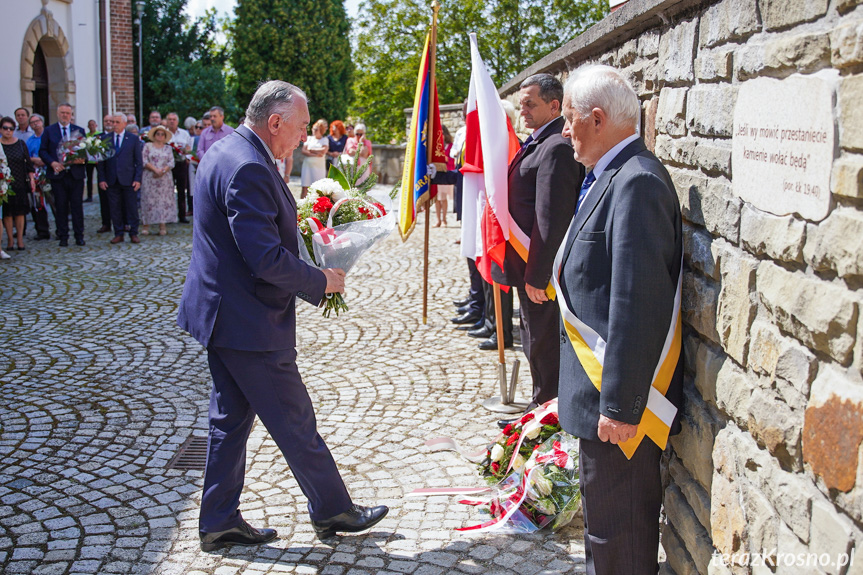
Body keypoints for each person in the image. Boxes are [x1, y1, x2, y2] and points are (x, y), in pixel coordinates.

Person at [177, 80, 388, 551]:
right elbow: (264, 257)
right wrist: (321, 281)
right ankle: (333, 509)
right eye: (296, 128)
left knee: (230, 419)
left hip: (223, 312)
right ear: (274, 122)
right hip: (247, 321)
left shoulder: (225, 149)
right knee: (293, 418)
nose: (300, 138)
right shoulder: (249, 166)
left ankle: (218, 520)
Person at [557, 65, 683, 575]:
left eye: (569, 119)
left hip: (622, 412)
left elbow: (637, 302)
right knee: (603, 535)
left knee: (620, 542)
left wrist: (623, 407)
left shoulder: (637, 182)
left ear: (597, 118)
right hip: (600, 397)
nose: (565, 131)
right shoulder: (610, 175)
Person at [494, 73, 583, 415]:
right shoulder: (538, 140)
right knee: (533, 338)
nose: (524, 111)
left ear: (554, 105)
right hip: (525, 264)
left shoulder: (557, 147)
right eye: (521, 104)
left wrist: (538, 275)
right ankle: (540, 404)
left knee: (544, 344)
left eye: (531, 104)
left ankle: (545, 412)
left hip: (540, 271)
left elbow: (551, 217)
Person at [39, 102, 87, 247]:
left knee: (77, 206)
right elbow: (43, 151)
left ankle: (79, 236)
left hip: (75, 175)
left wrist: (82, 159)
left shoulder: (79, 130)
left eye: (67, 113)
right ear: (57, 114)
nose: (65, 115)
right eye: (62, 113)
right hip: (58, 174)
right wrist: (52, 163)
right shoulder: (49, 130)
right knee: (60, 206)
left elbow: (85, 150)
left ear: (71, 115)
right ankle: (63, 236)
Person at [98, 114, 143, 244]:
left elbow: (138, 161)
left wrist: (137, 179)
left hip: (128, 178)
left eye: (117, 122)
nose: (114, 124)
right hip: (112, 179)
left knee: (131, 208)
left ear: (124, 124)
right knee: (115, 208)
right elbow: (101, 161)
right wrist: (102, 179)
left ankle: (134, 232)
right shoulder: (105, 139)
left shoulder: (133, 139)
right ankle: (118, 233)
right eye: (113, 122)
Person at [1, 116, 36, 251]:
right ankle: (10, 240)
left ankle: (20, 240)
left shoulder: (20, 143)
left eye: (11, 128)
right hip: (4, 183)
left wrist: (32, 179)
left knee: (20, 212)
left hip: (20, 181)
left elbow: (28, 164)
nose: (8, 131)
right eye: (5, 128)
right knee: (7, 213)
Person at [140, 125, 176, 236]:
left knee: (162, 202)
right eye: (158, 134)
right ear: (154, 135)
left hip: (164, 179)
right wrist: (155, 170)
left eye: (162, 134)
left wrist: (162, 171)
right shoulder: (148, 146)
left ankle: (162, 225)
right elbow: (144, 160)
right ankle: (146, 225)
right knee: (149, 201)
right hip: (150, 177)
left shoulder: (168, 148)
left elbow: (171, 162)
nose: (160, 136)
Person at [26, 113, 52, 240]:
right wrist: (34, 159)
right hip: (36, 176)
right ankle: (42, 231)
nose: (35, 124)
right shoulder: (30, 140)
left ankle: (61, 229)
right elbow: (26, 157)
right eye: (32, 122)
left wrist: (44, 160)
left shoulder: (49, 136)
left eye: (37, 121)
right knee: (38, 204)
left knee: (54, 202)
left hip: (49, 173)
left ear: (42, 122)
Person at [166, 112, 192, 223]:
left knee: (182, 191)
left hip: (181, 164)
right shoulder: (163, 133)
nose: (172, 121)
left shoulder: (184, 133)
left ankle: (182, 215)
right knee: (167, 191)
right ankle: (168, 216)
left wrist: (187, 157)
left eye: (174, 119)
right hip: (167, 165)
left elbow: (189, 148)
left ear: (177, 121)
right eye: (170, 119)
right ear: (167, 121)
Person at [96, 114, 115, 233]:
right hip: (105, 173)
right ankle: (106, 223)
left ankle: (123, 223)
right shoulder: (99, 138)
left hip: (118, 173)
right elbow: (99, 160)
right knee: (104, 201)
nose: (108, 123)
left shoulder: (119, 137)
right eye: (106, 121)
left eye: (110, 121)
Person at [300, 119, 329, 198]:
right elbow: (304, 150)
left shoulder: (324, 139)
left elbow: (324, 151)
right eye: (313, 128)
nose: (314, 130)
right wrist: (316, 153)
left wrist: (311, 150)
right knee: (305, 187)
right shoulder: (309, 138)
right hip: (307, 167)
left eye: (316, 129)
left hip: (319, 168)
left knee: (318, 189)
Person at [434, 125, 454, 227]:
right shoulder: (436, 146)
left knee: (443, 198)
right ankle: (438, 220)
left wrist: (445, 158)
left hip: (446, 174)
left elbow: (452, 159)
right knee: (437, 199)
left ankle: (444, 219)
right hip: (437, 174)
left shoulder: (450, 146)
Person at [84, 119, 100, 202]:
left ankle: (101, 194)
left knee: (99, 177)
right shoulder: (86, 135)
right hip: (89, 160)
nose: (91, 126)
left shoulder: (99, 134)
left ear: (96, 125)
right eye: (90, 125)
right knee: (89, 178)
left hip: (97, 159)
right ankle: (89, 195)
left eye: (93, 124)